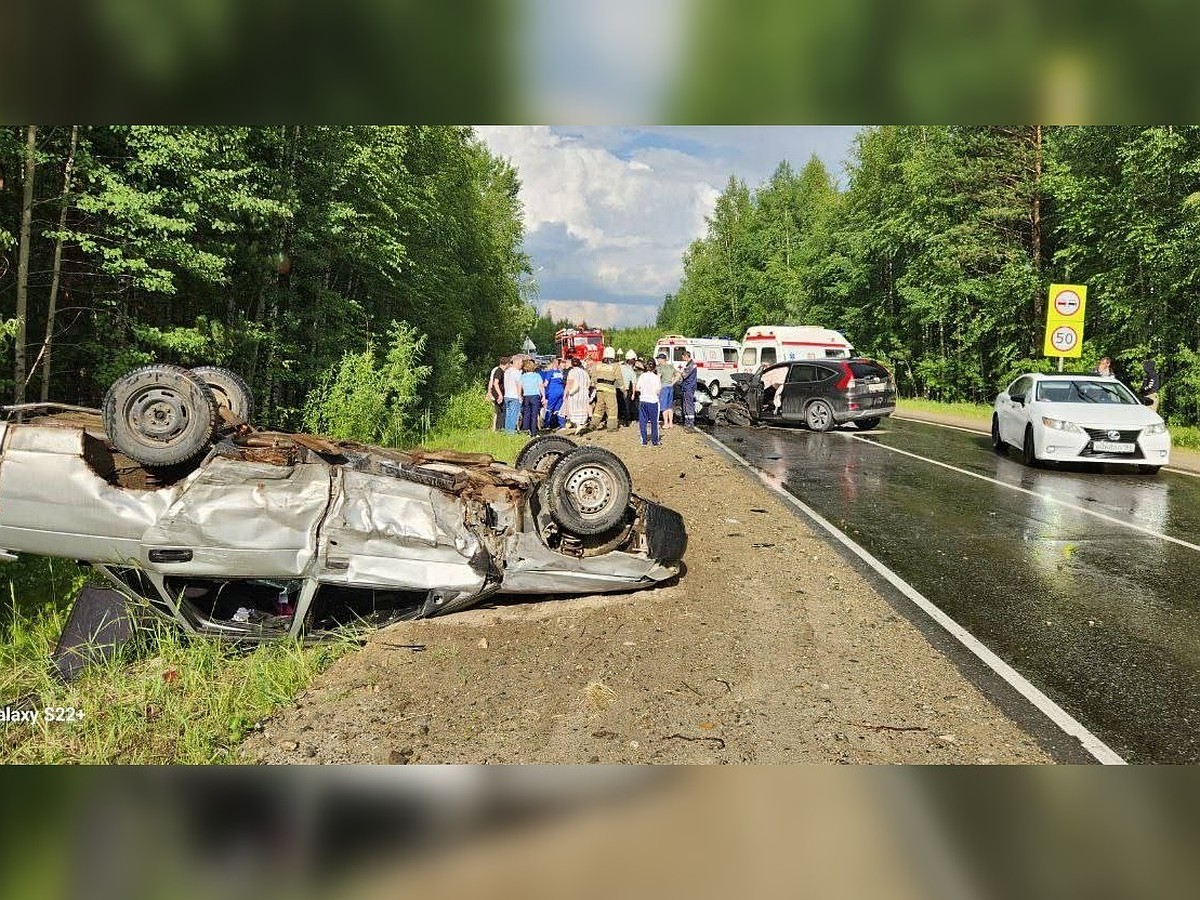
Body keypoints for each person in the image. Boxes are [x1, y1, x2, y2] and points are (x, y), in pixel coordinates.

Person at [588, 346, 622, 432]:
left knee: (599, 407)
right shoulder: (615, 366)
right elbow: (619, 378)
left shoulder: (598, 365)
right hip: (610, 389)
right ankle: (612, 427)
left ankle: (593, 424)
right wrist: (623, 389)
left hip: (599, 389)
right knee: (612, 408)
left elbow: (593, 378)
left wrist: (596, 386)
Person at [636, 361, 663, 447]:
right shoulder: (657, 378)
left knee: (643, 421)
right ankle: (655, 441)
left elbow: (637, 388)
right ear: (654, 367)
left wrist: (644, 391)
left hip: (643, 400)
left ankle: (644, 441)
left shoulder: (642, 376)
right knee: (654, 422)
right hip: (653, 401)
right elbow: (658, 391)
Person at [561, 357, 591, 433]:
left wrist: (565, 394)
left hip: (575, 395)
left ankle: (578, 425)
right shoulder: (584, 372)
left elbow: (569, 384)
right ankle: (581, 424)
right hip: (584, 394)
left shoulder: (572, 372)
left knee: (574, 410)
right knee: (582, 409)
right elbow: (588, 383)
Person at [519, 359, 546, 436]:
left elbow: (519, 386)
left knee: (526, 414)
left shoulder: (523, 376)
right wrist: (543, 396)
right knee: (534, 415)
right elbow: (541, 386)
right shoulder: (537, 376)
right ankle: (533, 432)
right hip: (535, 396)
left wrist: (519, 396)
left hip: (526, 396)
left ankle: (525, 431)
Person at [656, 352, 680, 429]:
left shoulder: (660, 368)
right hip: (670, 388)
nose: (658, 360)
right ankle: (671, 423)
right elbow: (678, 375)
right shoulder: (671, 367)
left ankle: (665, 423)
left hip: (664, 388)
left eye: (659, 359)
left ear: (662, 359)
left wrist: (657, 388)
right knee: (670, 406)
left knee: (664, 406)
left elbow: (658, 378)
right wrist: (673, 383)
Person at [541, 357, 566, 428]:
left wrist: (540, 386)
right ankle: (561, 424)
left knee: (549, 408)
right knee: (558, 408)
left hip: (553, 392)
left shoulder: (550, 372)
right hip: (561, 391)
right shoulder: (560, 373)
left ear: (552, 364)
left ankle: (547, 425)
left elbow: (545, 384)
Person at [487, 356, 508, 431]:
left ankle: (496, 428)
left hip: (497, 394)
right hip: (497, 395)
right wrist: (500, 395)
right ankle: (498, 428)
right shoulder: (499, 371)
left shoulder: (499, 370)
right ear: (506, 364)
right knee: (499, 412)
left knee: (498, 411)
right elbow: (495, 383)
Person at [679, 349, 698, 432]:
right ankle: (687, 422)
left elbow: (684, 375)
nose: (682, 358)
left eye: (682, 357)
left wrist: (679, 372)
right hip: (688, 387)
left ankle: (690, 424)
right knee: (686, 405)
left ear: (686, 356)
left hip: (688, 387)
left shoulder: (691, 365)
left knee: (688, 405)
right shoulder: (691, 364)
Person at [502, 355, 523, 431]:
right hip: (514, 396)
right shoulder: (516, 372)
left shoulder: (507, 371)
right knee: (514, 415)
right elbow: (518, 384)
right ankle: (511, 432)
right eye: (521, 363)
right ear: (516, 362)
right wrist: (520, 396)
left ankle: (507, 430)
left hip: (507, 395)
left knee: (508, 414)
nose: (521, 365)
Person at [618, 352, 637, 426]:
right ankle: (626, 421)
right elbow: (634, 383)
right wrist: (633, 394)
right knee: (626, 406)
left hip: (617, 389)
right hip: (625, 389)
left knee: (619, 405)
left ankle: (620, 419)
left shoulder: (620, 367)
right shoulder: (631, 371)